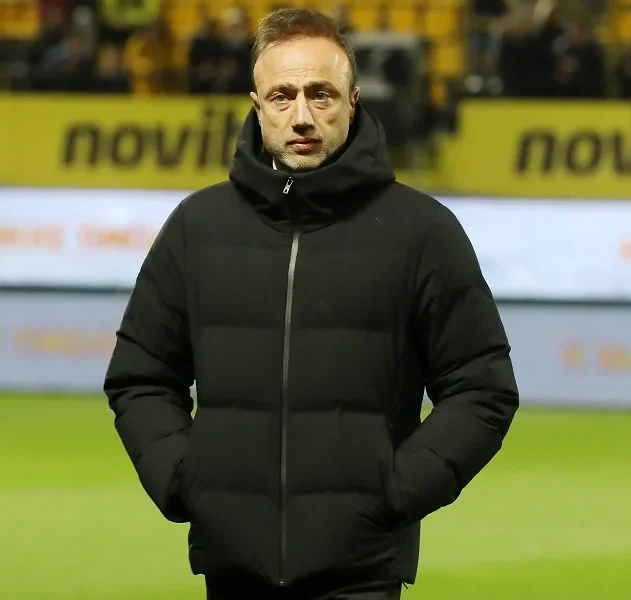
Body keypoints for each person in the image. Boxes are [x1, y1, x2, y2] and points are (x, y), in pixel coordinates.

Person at [103, 7, 519, 600]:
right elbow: (141, 376)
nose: (302, 115)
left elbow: (482, 388)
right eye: (282, 96)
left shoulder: (422, 231)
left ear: (353, 102)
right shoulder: (197, 228)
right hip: (233, 569)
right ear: (257, 106)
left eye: (320, 94)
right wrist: (185, 481)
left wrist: (396, 491)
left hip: (362, 573)